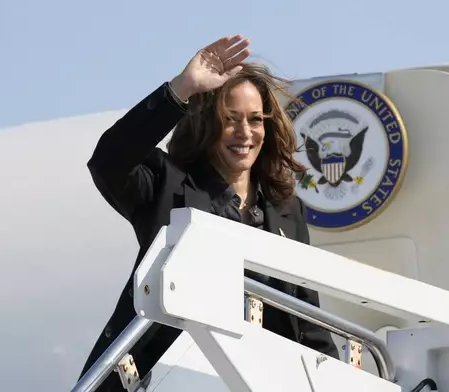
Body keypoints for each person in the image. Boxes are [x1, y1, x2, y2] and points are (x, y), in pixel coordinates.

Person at [79, 35, 339, 390]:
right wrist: (181, 89)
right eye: (230, 119)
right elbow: (109, 161)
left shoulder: (286, 211)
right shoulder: (166, 185)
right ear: (207, 125)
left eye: (255, 119)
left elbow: (309, 324)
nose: (245, 132)